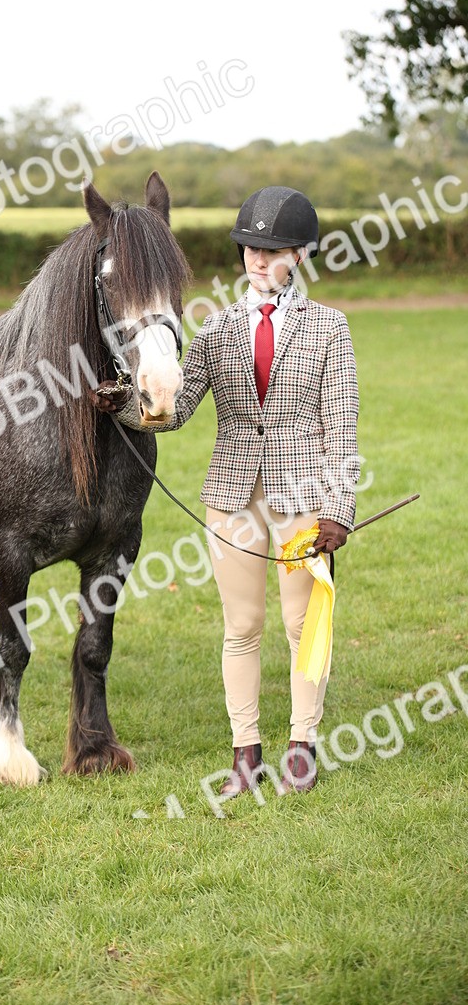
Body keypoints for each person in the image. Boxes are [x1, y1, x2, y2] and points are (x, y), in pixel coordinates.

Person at [93, 186, 360, 795]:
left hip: (305, 499)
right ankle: (245, 752)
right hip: (232, 496)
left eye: (273, 251)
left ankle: (302, 744)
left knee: (303, 624)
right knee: (240, 626)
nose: (258, 262)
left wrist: (339, 511)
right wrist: (124, 406)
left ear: (299, 255)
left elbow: (341, 426)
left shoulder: (329, 329)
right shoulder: (217, 329)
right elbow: (177, 410)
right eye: (250, 250)